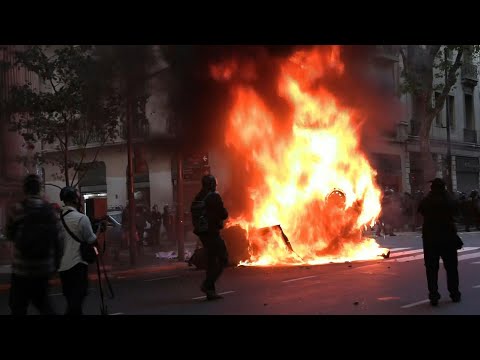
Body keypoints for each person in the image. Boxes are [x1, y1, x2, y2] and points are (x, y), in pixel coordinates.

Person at [5, 174, 63, 315]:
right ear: (39, 189)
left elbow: (9, 235)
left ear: (25, 189)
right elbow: (60, 240)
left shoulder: (16, 209)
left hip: (21, 270)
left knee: (17, 307)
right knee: (44, 305)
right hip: (43, 269)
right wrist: (55, 265)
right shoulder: (50, 212)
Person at [418, 178, 462, 306]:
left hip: (430, 239)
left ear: (432, 189)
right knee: (452, 268)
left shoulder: (427, 200)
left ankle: (434, 295)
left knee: (431, 269)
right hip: (448, 238)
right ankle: (454, 294)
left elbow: (421, 211)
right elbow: (456, 213)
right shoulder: (449, 200)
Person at [58, 187, 97, 315]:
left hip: (62, 268)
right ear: (75, 199)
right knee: (76, 303)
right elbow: (91, 240)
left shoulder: (57, 219)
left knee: (72, 302)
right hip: (77, 265)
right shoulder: (81, 218)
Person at [191, 174, 229, 300]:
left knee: (211, 261)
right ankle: (207, 285)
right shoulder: (214, 197)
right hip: (212, 232)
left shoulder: (198, 197)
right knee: (223, 258)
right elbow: (224, 214)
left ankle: (211, 292)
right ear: (212, 184)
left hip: (203, 234)